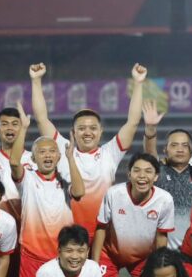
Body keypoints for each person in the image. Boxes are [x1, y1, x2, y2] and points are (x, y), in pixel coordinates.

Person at [29, 62, 147, 237]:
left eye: (93, 128)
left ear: (100, 133)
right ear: (73, 133)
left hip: (104, 233)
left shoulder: (110, 153)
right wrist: (36, 81)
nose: (87, 132)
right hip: (70, 236)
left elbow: (133, 122)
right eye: (82, 128)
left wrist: (138, 84)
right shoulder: (64, 150)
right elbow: (41, 119)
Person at [9, 109, 85, 277]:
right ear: (33, 158)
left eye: (52, 151)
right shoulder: (27, 179)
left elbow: (79, 191)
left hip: (61, 255)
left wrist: (71, 158)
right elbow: (14, 162)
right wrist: (23, 128)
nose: (48, 155)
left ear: (58, 155)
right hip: (31, 255)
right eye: (42, 152)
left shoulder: (66, 181)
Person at [143, 106, 192, 250]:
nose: (180, 149)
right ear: (165, 150)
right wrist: (150, 129)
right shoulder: (158, 173)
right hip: (163, 249)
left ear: (191, 151)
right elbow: (150, 153)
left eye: (184, 145)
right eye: (174, 145)